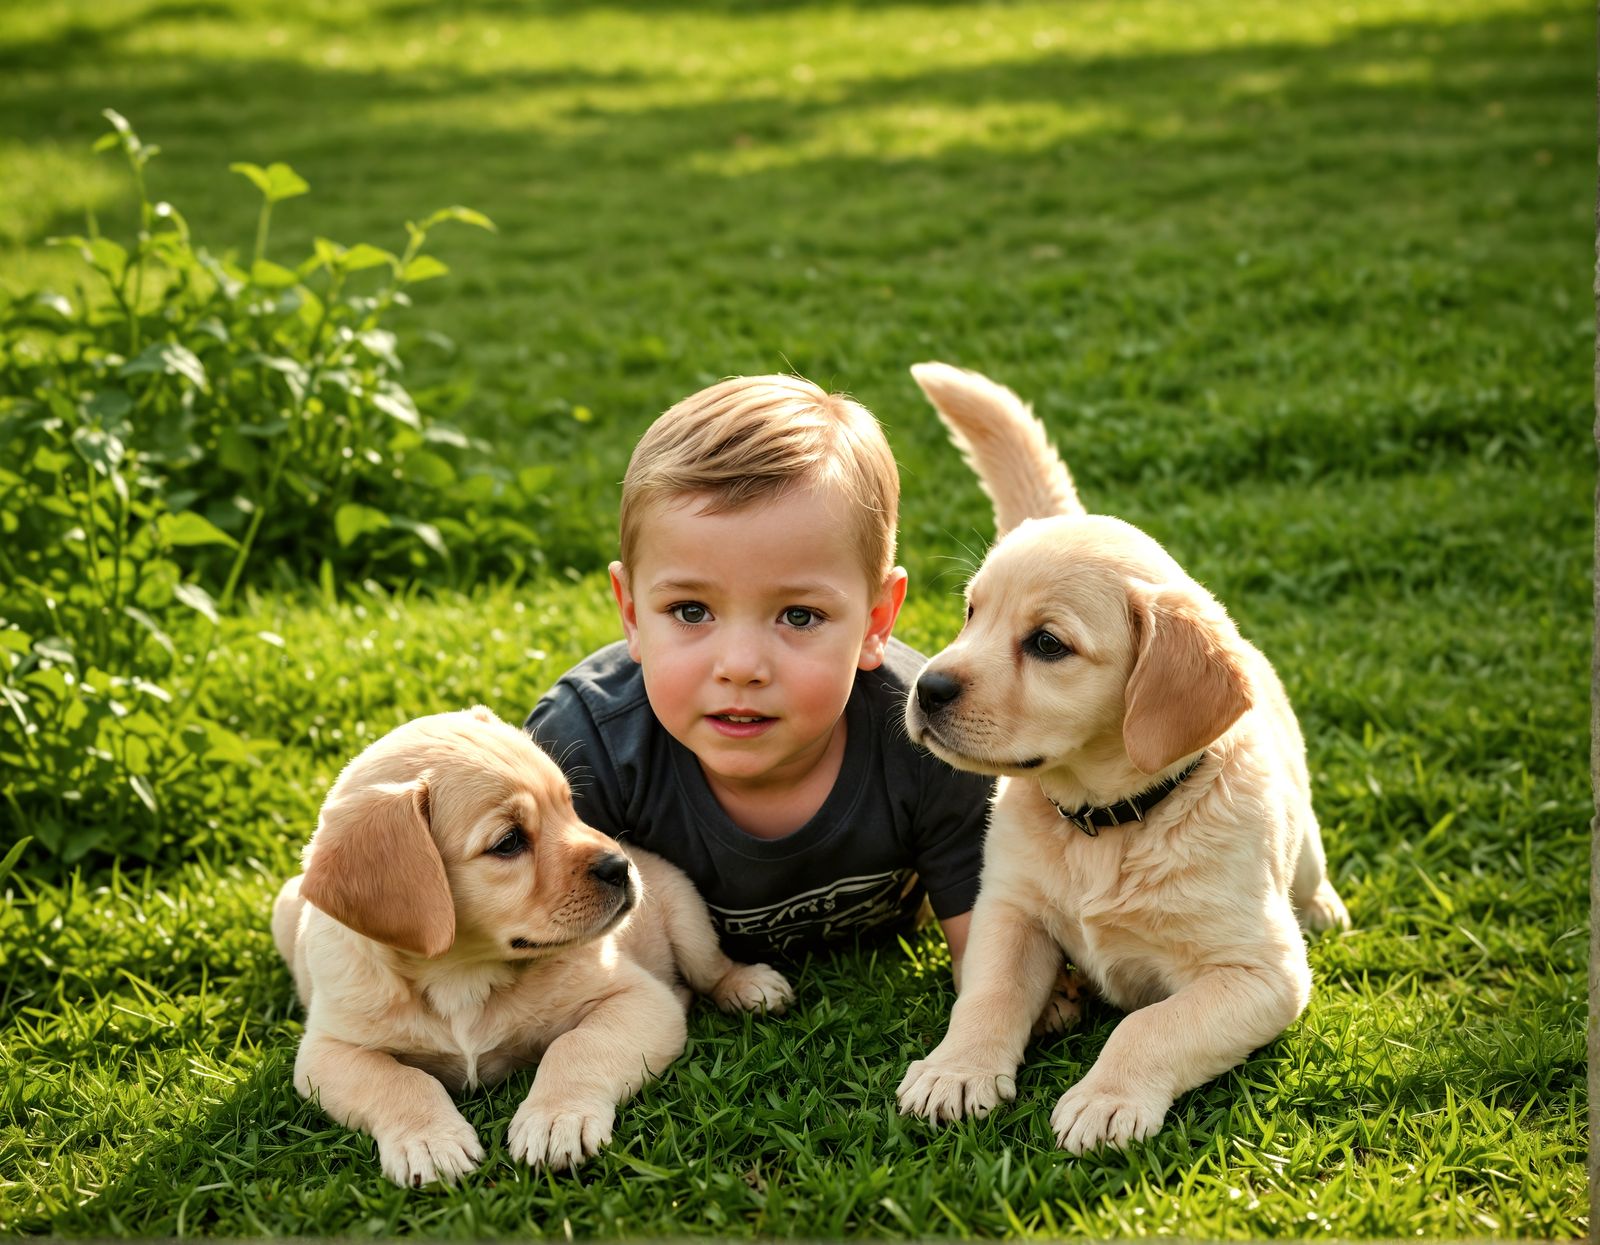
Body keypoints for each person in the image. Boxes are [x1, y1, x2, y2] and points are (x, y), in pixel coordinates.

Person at [524, 374, 993, 966]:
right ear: (632, 612)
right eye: (690, 611)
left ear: (876, 621)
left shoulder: (931, 739)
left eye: (799, 615)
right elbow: (542, 970)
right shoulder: (582, 751)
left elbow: (992, 959)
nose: (741, 667)